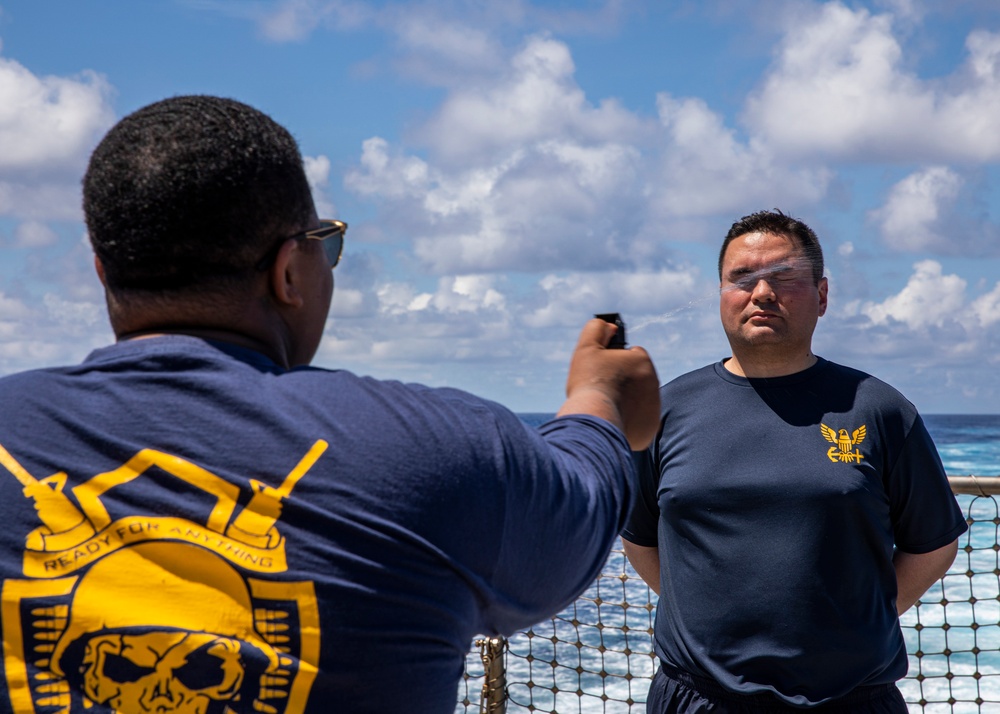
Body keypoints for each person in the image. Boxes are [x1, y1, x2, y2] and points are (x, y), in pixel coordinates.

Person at [0, 95, 660, 714]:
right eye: (327, 245)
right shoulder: (436, 450)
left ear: (101, 271)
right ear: (288, 271)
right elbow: (582, 512)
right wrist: (597, 395)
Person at [622, 209, 967, 713]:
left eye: (784, 278)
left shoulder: (880, 409)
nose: (762, 293)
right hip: (697, 699)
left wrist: (860, 620)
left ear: (822, 296)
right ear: (721, 294)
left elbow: (933, 546)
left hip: (851, 699)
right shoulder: (664, 410)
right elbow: (640, 539)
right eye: (742, 278)